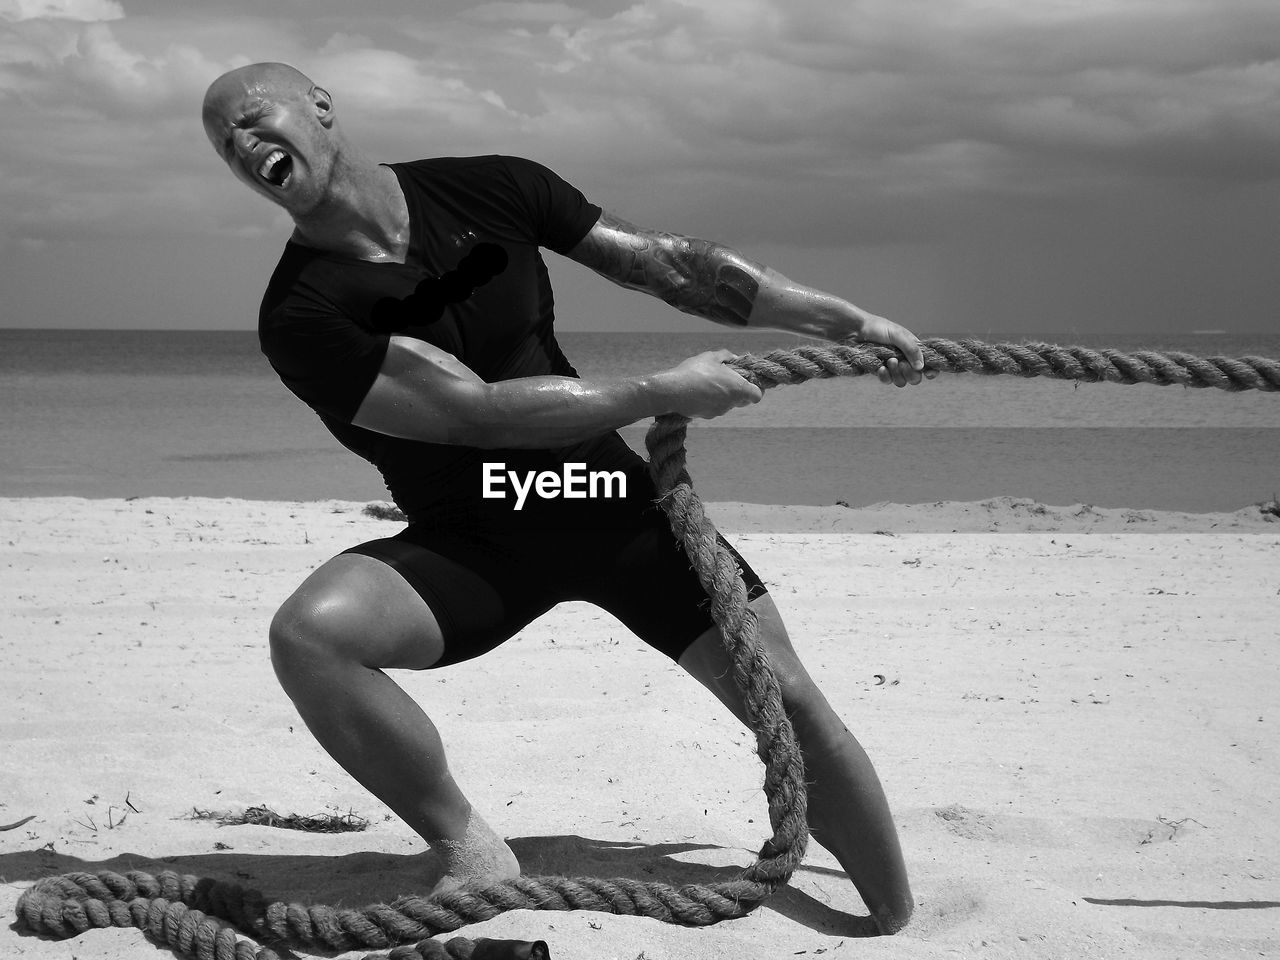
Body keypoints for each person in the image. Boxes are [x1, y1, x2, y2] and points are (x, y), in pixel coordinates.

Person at [201, 61, 927, 934]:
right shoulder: (302, 313)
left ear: (319, 106)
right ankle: (468, 848)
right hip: (475, 536)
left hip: (598, 498)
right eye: (224, 142)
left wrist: (849, 324)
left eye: (250, 116)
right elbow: (473, 416)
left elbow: (669, 267)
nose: (242, 144)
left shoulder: (494, 189)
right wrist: (658, 391)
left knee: (788, 693)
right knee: (311, 636)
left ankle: (897, 919)